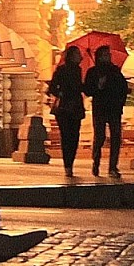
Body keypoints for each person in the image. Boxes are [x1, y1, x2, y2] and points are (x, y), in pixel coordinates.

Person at [83, 45, 129, 178]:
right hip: (100, 108)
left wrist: (121, 101)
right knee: (100, 136)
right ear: (99, 57)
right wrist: (99, 86)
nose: (108, 56)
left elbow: (122, 87)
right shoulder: (93, 72)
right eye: (105, 54)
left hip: (114, 108)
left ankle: (113, 167)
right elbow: (88, 90)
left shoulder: (115, 71)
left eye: (109, 54)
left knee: (116, 137)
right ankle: (96, 162)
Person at [44, 48, 87, 180]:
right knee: (68, 135)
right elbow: (51, 88)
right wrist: (60, 93)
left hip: (74, 106)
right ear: (71, 56)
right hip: (64, 106)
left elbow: (79, 87)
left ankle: (69, 164)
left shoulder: (79, 70)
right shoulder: (62, 70)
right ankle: (68, 165)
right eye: (78, 54)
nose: (80, 56)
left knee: (73, 136)